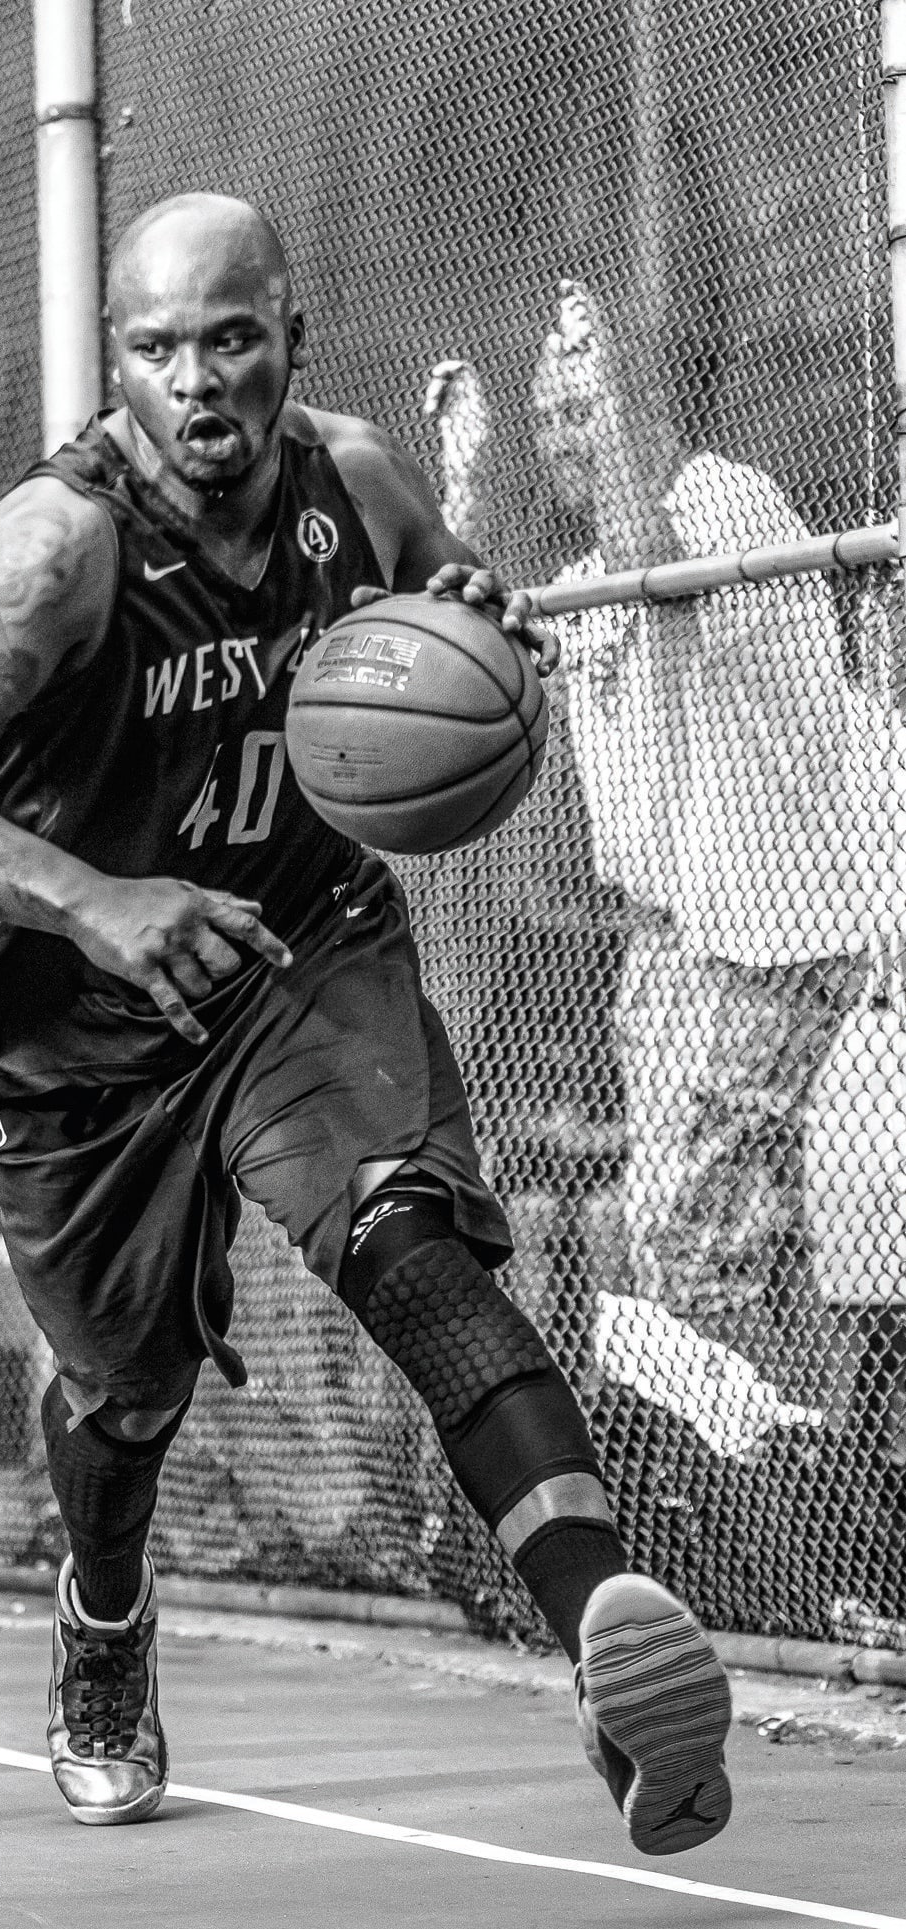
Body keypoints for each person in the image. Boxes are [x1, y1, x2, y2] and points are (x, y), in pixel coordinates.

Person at [0, 193, 733, 1854]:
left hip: (300, 947)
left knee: (409, 1239)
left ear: (288, 341)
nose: (197, 378)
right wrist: (94, 898)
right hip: (83, 1028)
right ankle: (103, 1614)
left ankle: (607, 1634)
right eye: (159, 349)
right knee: (127, 1394)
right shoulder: (57, 549)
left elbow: (445, 601)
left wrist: (486, 628)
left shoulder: (352, 476)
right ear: (118, 369)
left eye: (230, 338)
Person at [429, 284, 883, 1633]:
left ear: (648, 400)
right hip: (673, 951)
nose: (571, 435)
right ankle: (782, 1537)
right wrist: (463, 483)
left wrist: (614, 399)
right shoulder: (592, 572)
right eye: (556, 414)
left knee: (696, 1259)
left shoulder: (721, 507)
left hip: (770, 936)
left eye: (593, 404)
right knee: (691, 1258)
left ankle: (812, 1556)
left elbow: (662, 589)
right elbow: (470, 662)